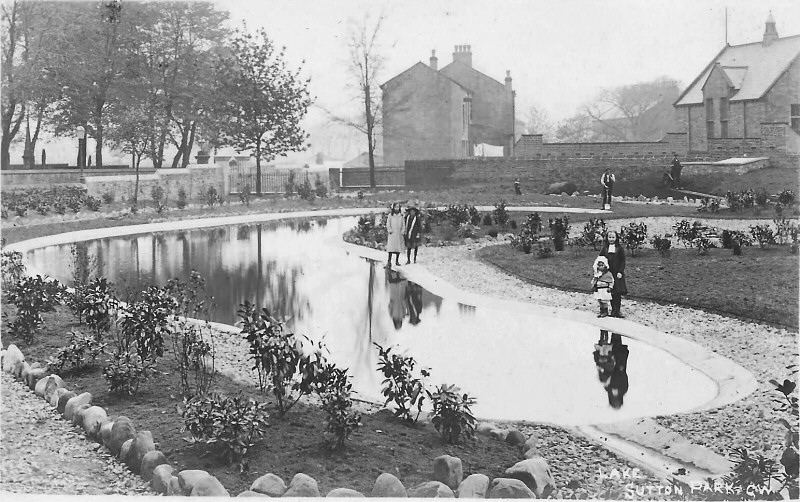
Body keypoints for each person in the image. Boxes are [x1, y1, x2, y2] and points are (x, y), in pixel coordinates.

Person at [599, 230, 628, 318]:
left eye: (613, 237)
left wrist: (620, 271)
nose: (611, 239)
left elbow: (622, 261)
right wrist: (601, 270)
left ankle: (616, 311)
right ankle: (605, 310)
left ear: (616, 238)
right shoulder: (604, 249)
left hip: (617, 273)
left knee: (617, 292)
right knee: (607, 292)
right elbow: (600, 259)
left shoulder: (619, 248)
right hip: (607, 273)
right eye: (610, 237)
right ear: (607, 238)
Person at [386, 203, 405, 267]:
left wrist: (402, 231)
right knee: (391, 248)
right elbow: (388, 223)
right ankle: (389, 261)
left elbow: (403, 224)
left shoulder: (401, 216)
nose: (396, 208)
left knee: (398, 248)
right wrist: (390, 230)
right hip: (392, 233)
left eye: (398, 207)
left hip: (398, 233)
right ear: (393, 208)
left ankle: (397, 261)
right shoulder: (390, 215)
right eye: (395, 207)